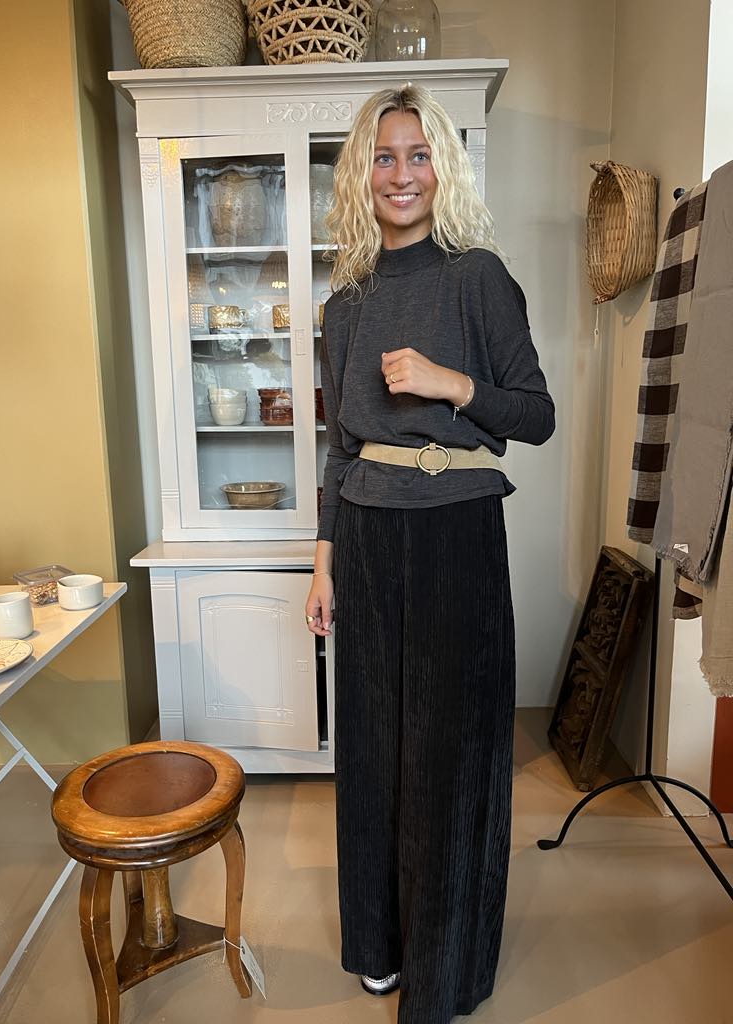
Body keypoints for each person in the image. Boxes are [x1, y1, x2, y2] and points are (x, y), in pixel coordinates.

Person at [305, 84, 554, 1024]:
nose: (401, 174)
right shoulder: (344, 307)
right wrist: (324, 564)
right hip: (368, 533)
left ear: (442, 169)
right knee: (373, 748)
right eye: (384, 156)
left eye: (418, 155)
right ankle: (379, 944)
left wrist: (453, 384)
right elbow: (339, 450)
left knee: (449, 754)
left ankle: (442, 969)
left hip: (457, 530)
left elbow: (536, 415)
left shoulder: (476, 277)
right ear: (361, 175)